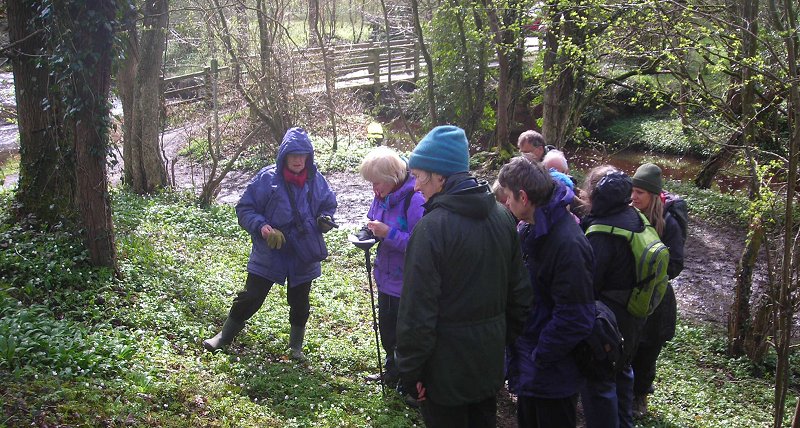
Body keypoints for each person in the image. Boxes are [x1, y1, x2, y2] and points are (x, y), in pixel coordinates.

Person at [395, 125, 533, 427]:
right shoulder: (503, 217)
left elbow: (417, 314)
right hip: (488, 366)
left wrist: (411, 372)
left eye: (419, 176)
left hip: (442, 376)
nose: (416, 187)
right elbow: (521, 297)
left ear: (441, 177)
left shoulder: (431, 230)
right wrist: (494, 338)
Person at [202, 127, 338, 361]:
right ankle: (224, 337)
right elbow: (245, 209)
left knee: (300, 303)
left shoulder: (317, 181)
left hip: (302, 251)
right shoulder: (267, 178)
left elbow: (328, 206)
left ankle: (295, 348)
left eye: (302, 155)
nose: (297, 160)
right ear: (284, 155)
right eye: (293, 154)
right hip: (270, 251)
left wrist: (324, 221)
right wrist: (263, 228)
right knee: (251, 296)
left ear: (309, 156)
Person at [498, 157, 595, 428]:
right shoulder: (531, 229)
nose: (506, 203)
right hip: (531, 364)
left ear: (524, 197)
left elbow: (576, 316)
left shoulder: (567, 243)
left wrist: (539, 356)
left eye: (508, 197)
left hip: (552, 372)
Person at [580, 165, 646, 428]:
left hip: (608, 321)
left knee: (599, 383)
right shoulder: (635, 218)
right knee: (623, 371)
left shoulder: (603, 233)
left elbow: (588, 284)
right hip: (632, 315)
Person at [358, 146, 425, 389]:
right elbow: (371, 220)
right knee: (387, 328)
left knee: (404, 335)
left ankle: (408, 380)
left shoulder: (414, 199)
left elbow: (420, 244)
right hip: (385, 277)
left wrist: (388, 234)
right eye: (371, 183)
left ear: (392, 177)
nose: (374, 189)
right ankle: (392, 372)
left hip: (406, 281)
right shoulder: (381, 196)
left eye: (377, 183)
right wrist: (367, 233)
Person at [629, 163, 686, 417]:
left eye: (639, 192)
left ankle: (640, 395)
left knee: (648, 348)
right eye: (633, 191)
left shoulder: (668, 223)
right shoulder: (628, 215)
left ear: (652, 195)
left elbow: (675, 263)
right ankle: (624, 391)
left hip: (656, 297)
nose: (634, 197)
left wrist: (650, 276)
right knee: (628, 344)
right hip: (631, 294)